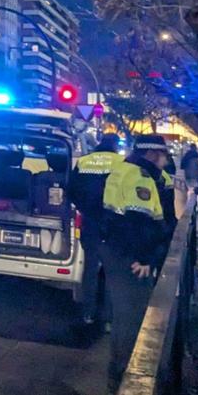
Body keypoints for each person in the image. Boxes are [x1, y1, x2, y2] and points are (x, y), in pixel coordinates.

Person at [101, 134, 175, 393]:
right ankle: (123, 375)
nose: (166, 159)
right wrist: (144, 258)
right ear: (152, 153)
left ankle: (120, 371)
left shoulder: (132, 170)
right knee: (131, 314)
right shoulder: (138, 177)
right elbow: (139, 222)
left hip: (118, 250)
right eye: (163, 154)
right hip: (130, 256)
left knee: (125, 313)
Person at [69, 132, 122, 326]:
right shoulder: (121, 163)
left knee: (90, 269)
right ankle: (108, 318)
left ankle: (88, 313)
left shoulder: (84, 161)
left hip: (90, 222)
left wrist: (86, 209)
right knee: (110, 270)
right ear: (115, 145)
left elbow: (72, 191)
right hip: (113, 224)